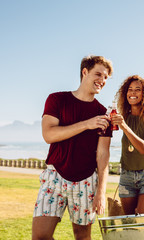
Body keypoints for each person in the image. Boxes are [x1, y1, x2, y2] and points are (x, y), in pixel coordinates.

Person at [32, 55, 113, 240]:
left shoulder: (104, 114)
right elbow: (49, 135)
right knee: (40, 236)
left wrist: (101, 191)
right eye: (98, 74)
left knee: (82, 238)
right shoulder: (57, 99)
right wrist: (87, 124)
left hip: (86, 181)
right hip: (54, 177)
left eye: (106, 77)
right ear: (85, 72)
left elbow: (103, 155)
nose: (102, 80)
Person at [111, 75, 144, 214]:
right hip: (127, 176)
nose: (132, 93)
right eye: (130, 89)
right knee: (130, 223)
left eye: (137, 89)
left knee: (141, 220)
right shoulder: (124, 116)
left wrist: (124, 126)